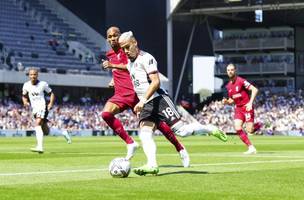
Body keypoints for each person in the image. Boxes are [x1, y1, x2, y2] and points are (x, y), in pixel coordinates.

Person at [105, 31, 226, 176]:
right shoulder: (130, 62)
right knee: (145, 134)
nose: (125, 51)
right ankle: (152, 164)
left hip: (159, 100)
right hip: (146, 105)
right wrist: (114, 72)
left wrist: (142, 101)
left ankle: (209, 129)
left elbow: (156, 82)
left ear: (135, 43)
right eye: (123, 48)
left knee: (182, 131)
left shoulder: (147, 58)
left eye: (127, 47)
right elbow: (128, 68)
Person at [101, 27, 189, 166]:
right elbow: (121, 70)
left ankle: (179, 147)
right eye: (110, 36)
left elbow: (130, 66)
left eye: (115, 36)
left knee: (159, 124)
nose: (112, 39)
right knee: (106, 114)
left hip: (136, 94)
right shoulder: (110, 54)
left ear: (120, 36)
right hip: (121, 94)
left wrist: (113, 66)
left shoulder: (127, 48)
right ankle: (130, 143)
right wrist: (113, 79)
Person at [22, 68, 71, 153]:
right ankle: (63, 133)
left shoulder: (43, 84)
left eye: (35, 74)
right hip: (35, 109)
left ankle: (40, 147)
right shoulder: (26, 85)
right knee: (46, 131)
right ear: (29, 75)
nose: (33, 76)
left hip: (42, 107)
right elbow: (24, 95)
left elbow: (51, 93)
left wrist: (50, 104)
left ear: (37, 75)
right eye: (31, 74)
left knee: (37, 124)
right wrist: (25, 102)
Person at [222, 63, 259, 154]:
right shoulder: (228, 86)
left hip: (247, 107)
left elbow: (255, 89)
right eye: (228, 70)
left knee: (250, 130)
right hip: (238, 109)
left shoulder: (241, 81)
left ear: (235, 70)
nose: (230, 71)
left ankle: (260, 125)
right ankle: (251, 147)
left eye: (232, 70)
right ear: (227, 72)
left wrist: (250, 103)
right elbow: (232, 99)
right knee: (237, 127)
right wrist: (227, 102)